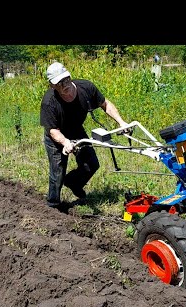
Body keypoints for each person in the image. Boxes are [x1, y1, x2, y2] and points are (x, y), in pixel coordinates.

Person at [40, 61, 129, 209]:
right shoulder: (49, 102)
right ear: (52, 85)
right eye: (59, 83)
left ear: (69, 76)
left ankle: (74, 183)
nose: (65, 84)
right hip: (57, 135)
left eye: (66, 79)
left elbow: (105, 104)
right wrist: (66, 143)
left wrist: (121, 122)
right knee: (58, 170)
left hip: (76, 130)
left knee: (91, 163)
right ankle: (53, 205)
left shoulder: (86, 88)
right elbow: (53, 131)